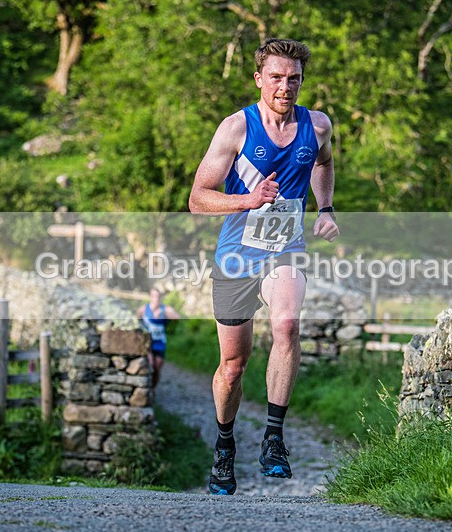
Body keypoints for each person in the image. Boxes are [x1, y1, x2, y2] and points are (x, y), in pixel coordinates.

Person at [189, 37, 339, 495]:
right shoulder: (235, 128)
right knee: (233, 365)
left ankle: (274, 437)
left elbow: (324, 162)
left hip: (286, 249)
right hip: (236, 255)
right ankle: (225, 444)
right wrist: (247, 200)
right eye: (276, 77)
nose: (285, 86)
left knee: (288, 324)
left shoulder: (317, 125)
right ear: (259, 78)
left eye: (294, 78)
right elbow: (197, 199)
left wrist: (325, 208)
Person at [136, 287, 180, 387]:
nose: (156, 298)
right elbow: (137, 320)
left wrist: (166, 315)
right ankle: (145, 387)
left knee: (157, 368)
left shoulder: (165, 309)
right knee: (151, 364)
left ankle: (153, 388)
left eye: (158, 296)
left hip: (160, 342)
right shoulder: (143, 309)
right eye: (154, 296)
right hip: (148, 342)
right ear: (150, 297)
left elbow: (177, 317)